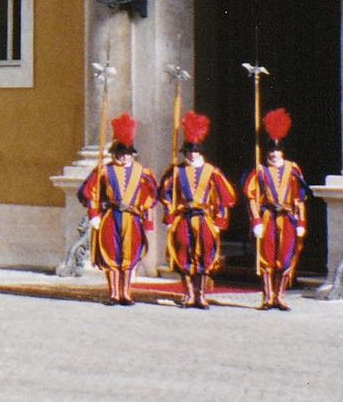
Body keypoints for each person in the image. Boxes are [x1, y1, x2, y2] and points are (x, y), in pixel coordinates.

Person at [160, 111, 237, 309]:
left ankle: (201, 294)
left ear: (201, 152)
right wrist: (170, 214)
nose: (193, 154)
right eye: (189, 151)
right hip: (183, 218)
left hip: (204, 218)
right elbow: (164, 193)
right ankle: (188, 293)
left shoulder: (212, 172)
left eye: (196, 151)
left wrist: (219, 222)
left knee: (204, 255)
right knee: (182, 252)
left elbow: (225, 198)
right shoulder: (176, 170)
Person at [80, 114, 159, 306]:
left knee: (129, 255)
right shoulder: (104, 170)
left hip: (131, 218)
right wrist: (93, 215)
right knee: (111, 253)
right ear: (115, 152)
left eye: (128, 152)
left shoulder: (142, 172)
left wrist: (147, 221)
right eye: (121, 152)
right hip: (110, 216)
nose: (125, 156)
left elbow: (149, 197)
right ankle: (114, 293)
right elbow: (89, 192)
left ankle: (126, 293)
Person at [242, 108, 310, 310]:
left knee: (285, 256)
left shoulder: (293, 169)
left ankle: (280, 296)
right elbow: (251, 196)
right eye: (270, 150)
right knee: (267, 256)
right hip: (267, 217)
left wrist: (300, 222)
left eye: (277, 150)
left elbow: (298, 197)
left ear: (282, 151)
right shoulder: (260, 170)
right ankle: (267, 297)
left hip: (287, 217)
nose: (273, 153)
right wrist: (255, 221)